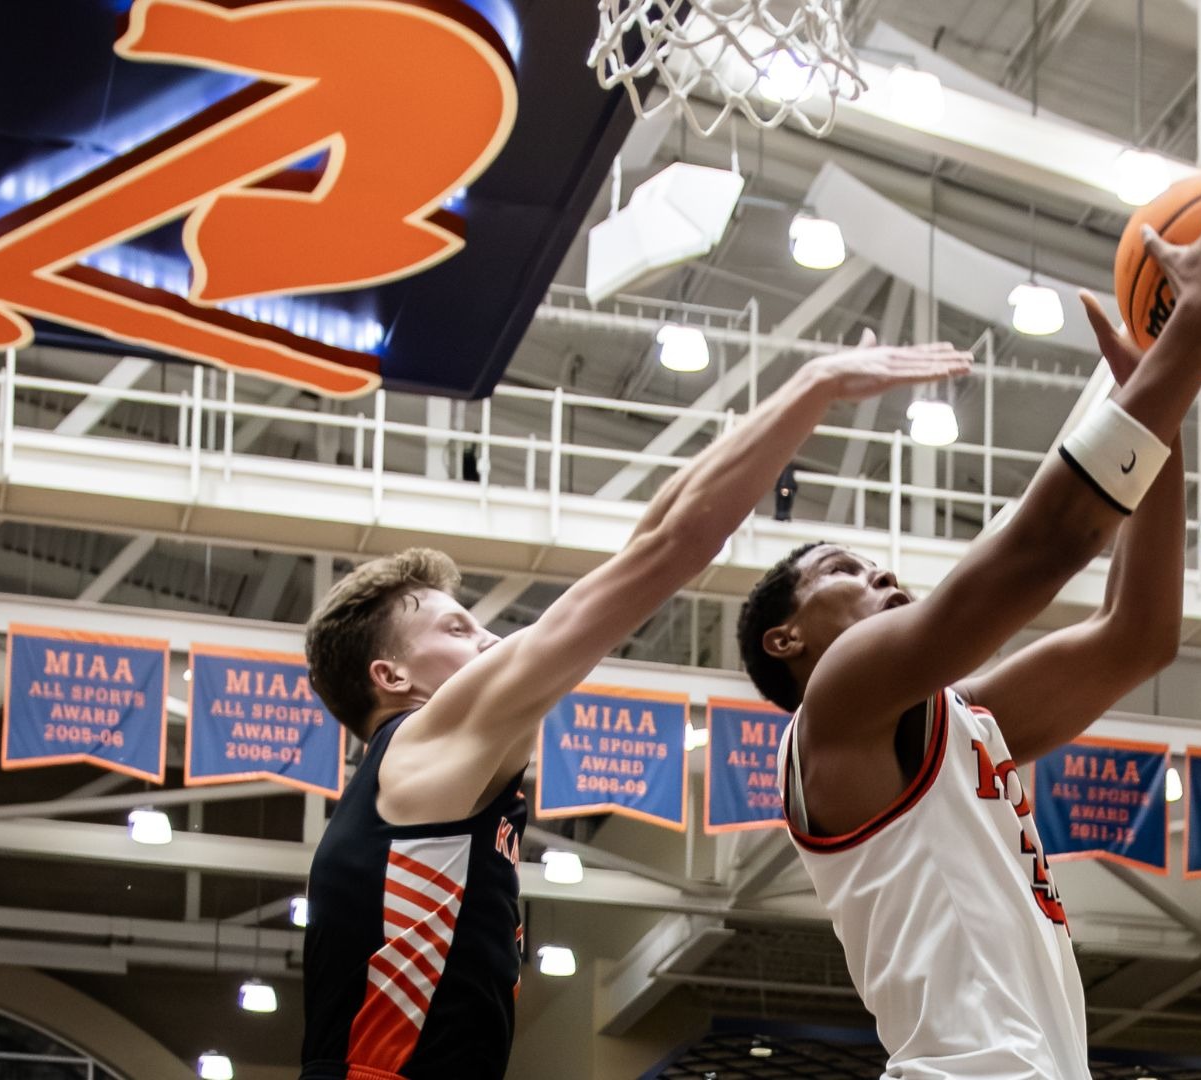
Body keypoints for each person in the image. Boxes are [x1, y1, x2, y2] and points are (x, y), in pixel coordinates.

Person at [736, 173, 1201, 1080]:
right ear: (786, 640)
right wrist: (1192, 331)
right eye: (841, 570)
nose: (881, 572)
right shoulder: (837, 701)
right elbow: (1051, 543)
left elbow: (1137, 636)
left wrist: (1167, 400)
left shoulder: (959, 724)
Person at [296, 330, 973, 1080]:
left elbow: (653, 537)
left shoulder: (423, 782)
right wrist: (814, 386)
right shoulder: (423, 744)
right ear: (390, 676)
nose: (493, 641)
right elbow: (673, 547)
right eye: (458, 629)